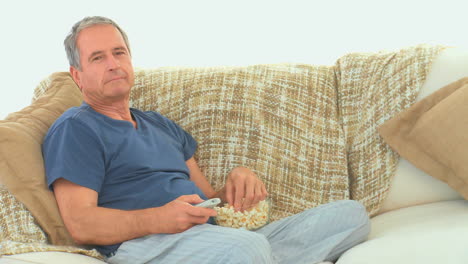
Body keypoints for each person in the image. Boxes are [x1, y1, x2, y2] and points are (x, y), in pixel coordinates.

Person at [42, 16, 371, 264]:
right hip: (147, 243)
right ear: (77, 76)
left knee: (351, 215)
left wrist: (237, 184)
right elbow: (80, 223)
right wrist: (159, 218)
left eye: (119, 52)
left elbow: (207, 196)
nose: (113, 64)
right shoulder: (75, 128)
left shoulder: (161, 125)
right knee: (246, 248)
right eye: (98, 58)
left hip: (213, 236)